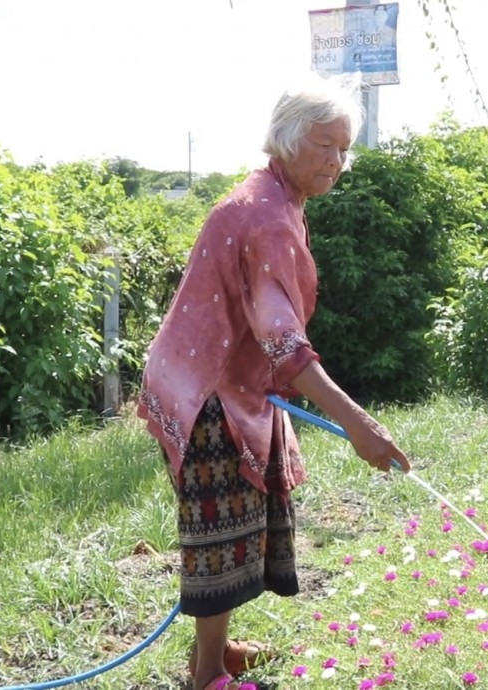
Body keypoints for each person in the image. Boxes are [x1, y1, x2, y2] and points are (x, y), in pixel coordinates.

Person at [136, 76, 411, 690]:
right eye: (324, 146)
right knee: (220, 527)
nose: (337, 162)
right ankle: (207, 675)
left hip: (226, 382)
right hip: (204, 388)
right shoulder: (266, 216)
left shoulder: (279, 200)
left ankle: (219, 649)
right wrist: (356, 423)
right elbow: (283, 342)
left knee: (242, 519)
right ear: (286, 142)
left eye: (344, 148)